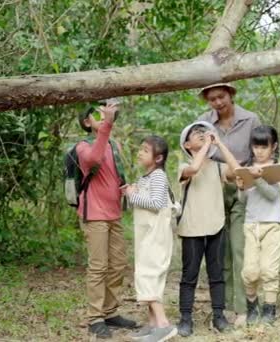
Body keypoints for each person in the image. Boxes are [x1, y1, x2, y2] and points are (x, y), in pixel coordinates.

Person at [197, 82, 261, 326]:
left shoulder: (250, 119)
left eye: (221, 97)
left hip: (243, 190)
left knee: (240, 248)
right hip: (213, 190)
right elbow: (194, 153)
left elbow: (261, 152)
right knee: (219, 252)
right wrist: (222, 169)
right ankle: (220, 308)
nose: (218, 103)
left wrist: (251, 173)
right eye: (212, 99)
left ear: (231, 94)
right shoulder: (203, 122)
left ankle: (243, 307)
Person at [76, 103, 137, 338]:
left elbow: (116, 176)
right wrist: (107, 124)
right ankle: (95, 317)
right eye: (96, 114)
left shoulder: (114, 144)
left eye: (105, 113)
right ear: (86, 123)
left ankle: (110, 312)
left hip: (114, 213)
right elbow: (93, 158)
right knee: (99, 266)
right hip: (95, 215)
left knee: (118, 264)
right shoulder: (82, 147)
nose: (102, 116)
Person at [176, 122, 242, 337]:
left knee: (217, 274)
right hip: (191, 228)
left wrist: (219, 144)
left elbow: (236, 170)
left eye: (204, 132)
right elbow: (193, 170)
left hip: (216, 226)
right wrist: (207, 146)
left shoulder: (216, 166)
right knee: (189, 276)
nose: (202, 135)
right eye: (196, 134)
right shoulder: (183, 165)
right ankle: (185, 318)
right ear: (187, 144)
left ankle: (219, 316)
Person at [123, 135, 177, 342]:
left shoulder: (158, 176)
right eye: (141, 149)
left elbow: (155, 203)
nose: (140, 152)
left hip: (156, 234)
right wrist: (133, 192)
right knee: (144, 272)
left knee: (149, 274)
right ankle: (153, 323)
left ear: (158, 158)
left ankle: (163, 324)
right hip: (146, 233)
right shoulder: (146, 177)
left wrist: (132, 195)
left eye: (145, 150)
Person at [235, 125, 280, 325]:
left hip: (273, 223)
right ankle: (252, 306)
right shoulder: (247, 166)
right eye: (256, 146)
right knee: (250, 271)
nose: (259, 151)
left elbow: (272, 195)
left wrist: (258, 179)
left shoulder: (277, 168)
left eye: (264, 146)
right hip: (251, 224)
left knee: (269, 270)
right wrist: (240, 187)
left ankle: (269, 309)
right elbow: (243, 200)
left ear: (273, 146)